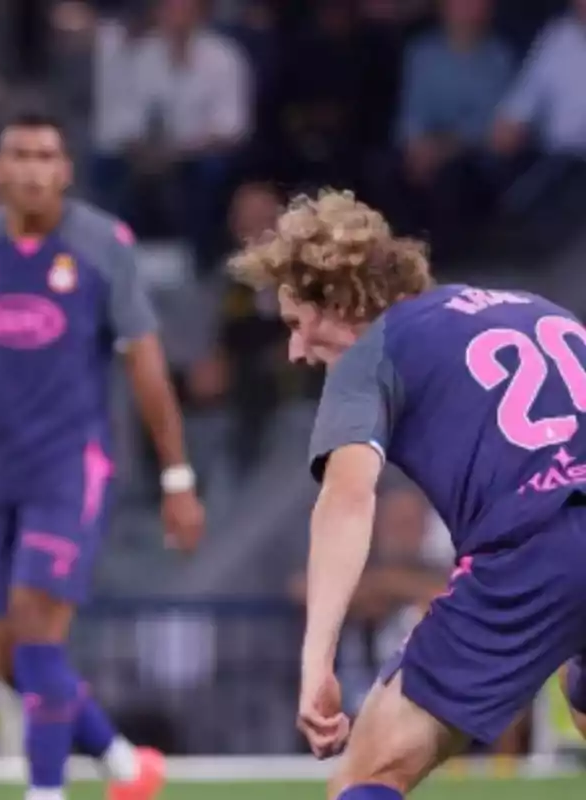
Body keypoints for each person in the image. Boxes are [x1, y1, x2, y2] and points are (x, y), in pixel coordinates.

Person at [228, 188, 586, 799]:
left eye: (295, 323)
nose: (294, 349)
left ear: (336, 296)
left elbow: (346, 500)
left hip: (536, 547)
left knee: (367, 776)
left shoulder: (372, 354)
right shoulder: (541, 309)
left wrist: (317, 661)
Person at [0, 111, 206, 800]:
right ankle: (122, 762)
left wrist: (176, 477)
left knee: (35, 631)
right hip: (0, 474)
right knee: (4, 658)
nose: (30, 168)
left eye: (45, 155)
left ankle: (45, 792)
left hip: (70, 467)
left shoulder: (103, 245)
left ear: (65, 170)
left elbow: (146, 366)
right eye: (17, 153)